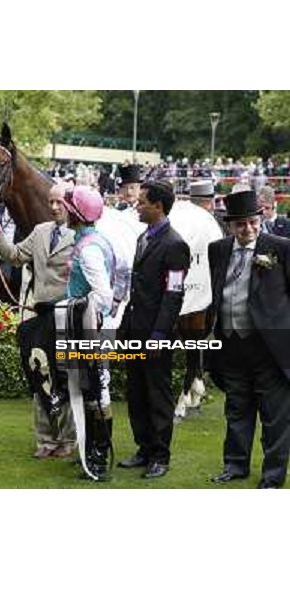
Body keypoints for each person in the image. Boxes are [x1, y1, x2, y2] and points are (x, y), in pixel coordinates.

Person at [207, 190, 290, 488]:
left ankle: (272, 476)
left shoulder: (280, 248)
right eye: (241, 224)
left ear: (261, 219)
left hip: (269, 347)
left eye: (253, 222)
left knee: (274, 416)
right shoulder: (217, 249)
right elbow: (217, 292)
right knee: (237, 409)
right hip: (230, 342)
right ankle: (235, 465)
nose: (249, 229)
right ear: (230, 225)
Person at [0, 183, 77, 459]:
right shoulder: (40, 232)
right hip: (39, 318)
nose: (53, 207)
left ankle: (68, 439)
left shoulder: (82, 237)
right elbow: (15, 256)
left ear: (71, 204)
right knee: (40, 376)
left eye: (59, 203)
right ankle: (45, 440)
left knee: (65, 380)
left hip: (66, 317)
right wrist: (0, 238)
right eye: (51, 202)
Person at [118, 180, 190, 479]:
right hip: (134, 330)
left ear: (158, 206)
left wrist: (159, 336)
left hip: (155, 336)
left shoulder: (175, 244)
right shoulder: (142, 238)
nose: (137, 204)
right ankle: (144, 448)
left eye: (143, 201)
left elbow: (174, 295)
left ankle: (160, 455)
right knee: (136, 392)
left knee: (157, 395)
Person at [58, 186, 122, 481]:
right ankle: (94, 448)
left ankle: (98, 456)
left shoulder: (89, 247)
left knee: (98, 388)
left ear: (77, 213)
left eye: (68, 207)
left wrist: (78, 309)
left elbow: (104, 295)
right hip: (92, 324)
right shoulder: (91, 240)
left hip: (93, 327)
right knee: (91, 387)